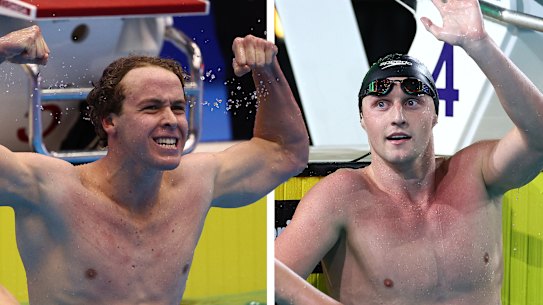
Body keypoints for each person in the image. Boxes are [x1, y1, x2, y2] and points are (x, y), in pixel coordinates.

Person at [0, 25, 309, 305]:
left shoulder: (196, 184)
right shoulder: (48, 189)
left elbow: (285, 152)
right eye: (152, 108)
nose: (171, 121)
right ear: (110, 121)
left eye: (178, 107)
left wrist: (268, 71)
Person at [274, 0, 543, 304]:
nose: (397, 116)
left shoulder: (476, 173)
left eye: (413, 102)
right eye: (381, 103)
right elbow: (270, 276)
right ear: (363, 120)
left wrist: (480, 45)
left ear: (435, 115)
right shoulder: (342, 195)